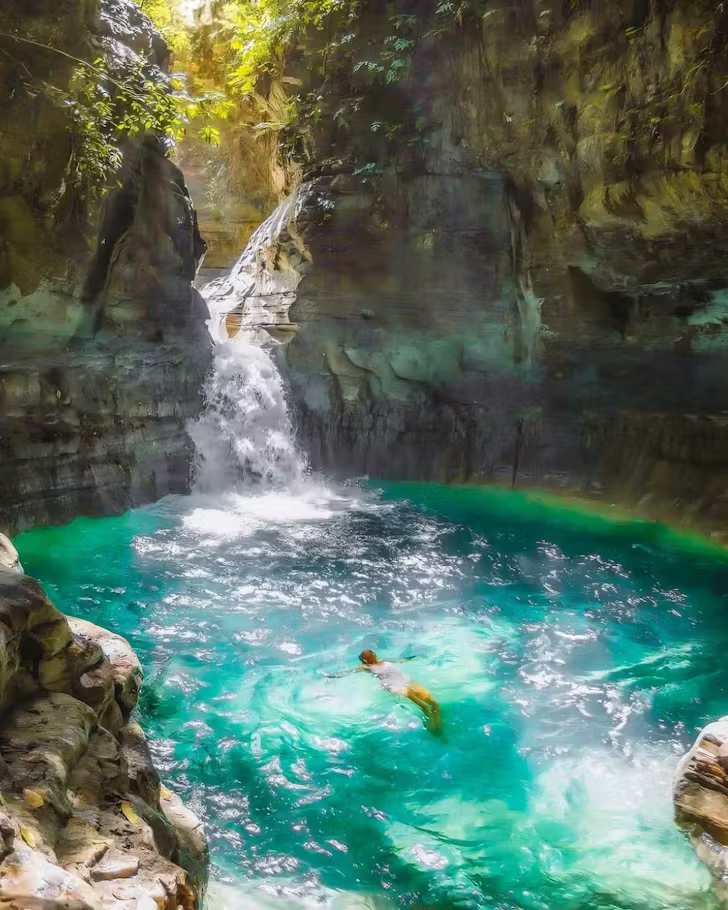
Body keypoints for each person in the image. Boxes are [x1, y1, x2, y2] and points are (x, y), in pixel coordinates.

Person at [358, 649, 442, 735]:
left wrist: (415, 657)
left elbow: (401, 660)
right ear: (366, 659)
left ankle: (438, 725)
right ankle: (432, 729)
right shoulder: (368, 667)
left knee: (434, 704)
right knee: (425, 707)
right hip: (397, 687)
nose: (373, 654)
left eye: (372, 653)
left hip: (408, 682)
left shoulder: (385, 661)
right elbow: (355, 670)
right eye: (370, 654)